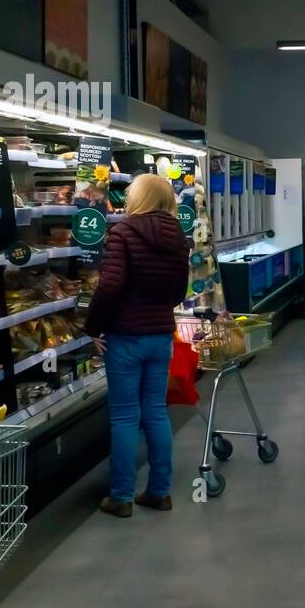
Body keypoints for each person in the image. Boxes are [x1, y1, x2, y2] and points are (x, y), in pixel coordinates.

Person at [86, 173, 191, 518]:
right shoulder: (178, 238)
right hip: (160, 336)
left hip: (126, 337)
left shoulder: (123, 233)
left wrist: (93, 326)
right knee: (156, 413)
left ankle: (121, 496)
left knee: (125, 416)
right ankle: (159, 492)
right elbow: (179, 291)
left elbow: (111, 285)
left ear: (139, 198)